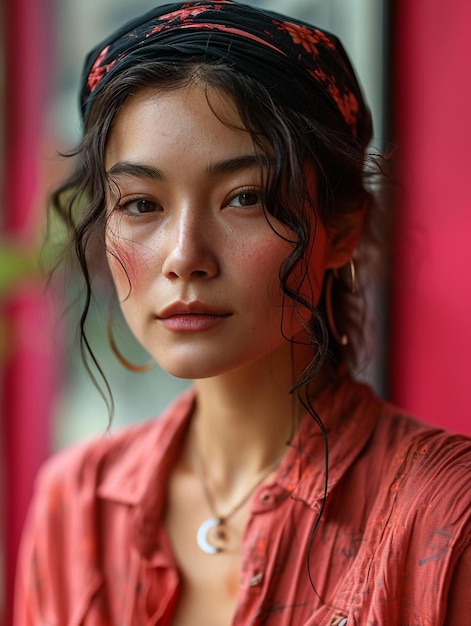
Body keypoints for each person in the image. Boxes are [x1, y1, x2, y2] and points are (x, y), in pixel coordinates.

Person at [14, 1, 471, 624]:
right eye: (142, 204)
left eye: (245, 197)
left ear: (340, 227)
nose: (185, 258)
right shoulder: (76, 507)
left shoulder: (443, 518)